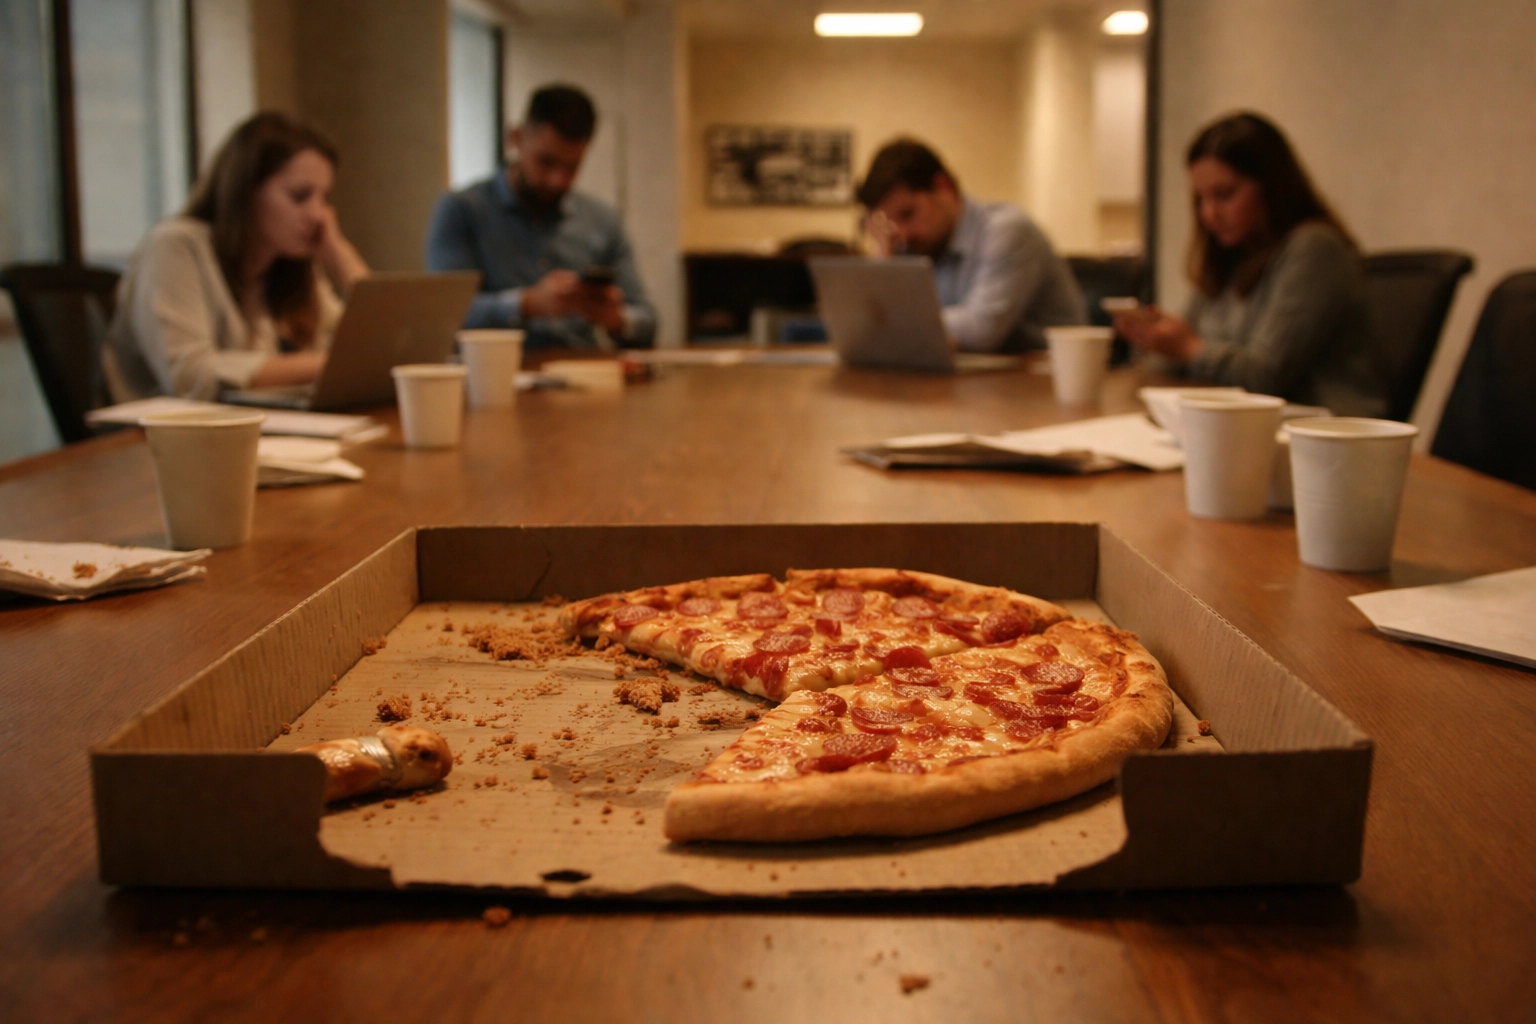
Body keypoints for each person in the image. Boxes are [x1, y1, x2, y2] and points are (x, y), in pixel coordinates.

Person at [1113, 112, 1384, 417]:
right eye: (1201, 199)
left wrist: (1188, 347)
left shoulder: (1315, 249)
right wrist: (1159, 341)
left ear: (1271, 186)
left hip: (1328, 441)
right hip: (1250, 432)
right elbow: (1186, 358)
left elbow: (1264, 377)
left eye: (1224, 195)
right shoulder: (1232, 256)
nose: (1209, 214)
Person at [103, 112, 370, 402]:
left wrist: (339, 254)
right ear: (245, 191)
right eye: (299, 195)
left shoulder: (289, 263)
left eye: (325, 199)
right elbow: (190, 376)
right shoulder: (175, 246)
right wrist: (324, 364)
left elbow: (372, 348)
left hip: (264, 431)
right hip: (157, 439)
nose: (319, 216)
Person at [424, 84, 655, 350]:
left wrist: (617, 319)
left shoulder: (603, 221)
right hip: (497, 377)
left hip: (582, 375)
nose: (557, 180)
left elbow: (648, 321)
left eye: (572, 167)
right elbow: (444, 318)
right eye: (546, 162)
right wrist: (527, 304)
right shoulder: (461, 210)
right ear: (516, 137)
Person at [857, 139, 1084, 352]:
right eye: (892, 223)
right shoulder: (920, 243)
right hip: (980, 380)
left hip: (1048, 382)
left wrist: (893, 321)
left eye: (908, 214)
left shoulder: (1007, 231)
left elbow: (982, 329)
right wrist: (884, 255)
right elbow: (869, 322)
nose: (903, 234)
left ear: (943, 187)